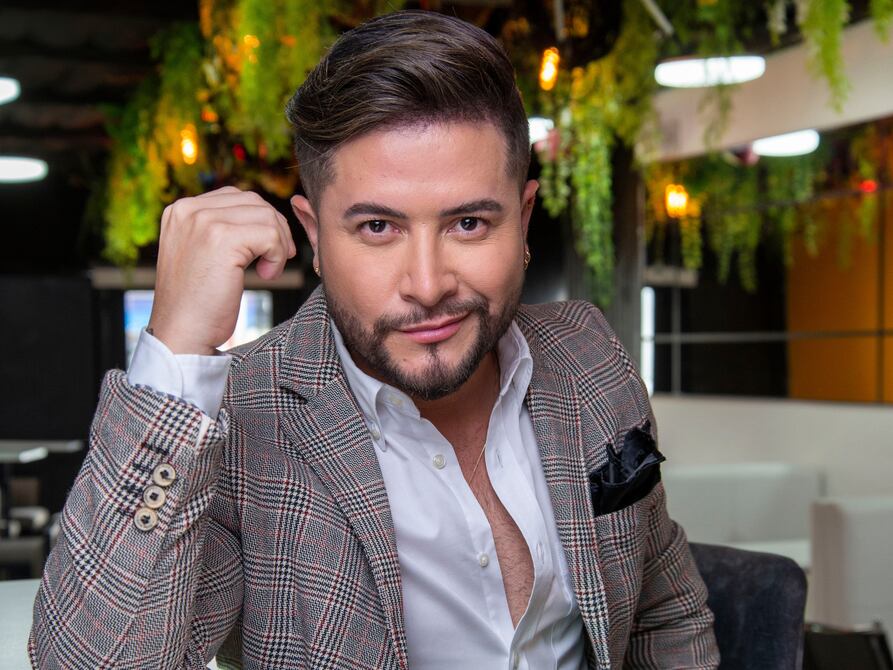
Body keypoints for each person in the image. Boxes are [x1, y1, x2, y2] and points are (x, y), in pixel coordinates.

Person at [30, 10, 718, 669]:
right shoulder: (241, 419)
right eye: (378, 228)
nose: (428, 284)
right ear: (314, 236)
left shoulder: (588, 354)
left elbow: (663, 608)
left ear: (524, 217)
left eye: (469, 224)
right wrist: (176, 355)